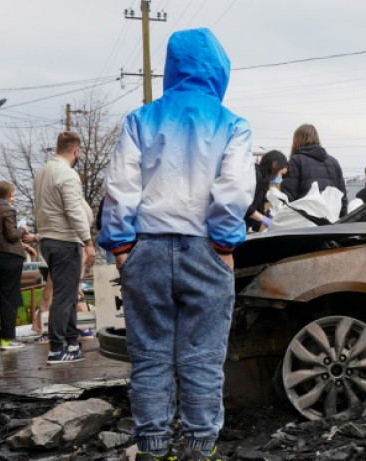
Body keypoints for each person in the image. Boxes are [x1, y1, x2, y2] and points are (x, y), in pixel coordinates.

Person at [98, 28, 254, 461]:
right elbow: (235, 189)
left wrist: (121, 247)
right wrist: (224, 245)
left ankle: (152, 448)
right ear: (220, 71)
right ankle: (200, 449)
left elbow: (120, 186)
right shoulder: (233, 125)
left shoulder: (140, 119)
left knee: (150, 355)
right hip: (206, 249)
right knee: (203, 357)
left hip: (145, 249)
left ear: (171, 68)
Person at [34, 131, 96, 364]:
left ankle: (72, 343)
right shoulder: (67, 174)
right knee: (64, 296)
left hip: (48, 240)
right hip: (65, 240)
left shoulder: (42, 172)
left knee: (67, 294)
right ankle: (57, 348)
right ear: (76, 151)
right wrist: (88, 241)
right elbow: (73, 210)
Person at [0, 181, 36, 350]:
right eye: (13, 195)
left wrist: (24, 246)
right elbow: (11, 236)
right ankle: (7, 339)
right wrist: (23, 229)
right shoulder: (7, 209)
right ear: (8, 195)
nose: (14, 198)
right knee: (8, 298)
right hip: (8, 260)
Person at [30, 200, 95, 341]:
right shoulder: (81, 205)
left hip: (70, 248)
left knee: (52, 289)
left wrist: (36, 237)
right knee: (72, 288)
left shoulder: (68, 204)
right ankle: (83, 328)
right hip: (76, 248)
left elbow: (61, 230)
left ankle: (47, 329)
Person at [281, 124, 348, 218]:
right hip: (331, 220)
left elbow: (288, 197)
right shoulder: (334, 162)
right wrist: (341, 219)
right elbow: (342, 197)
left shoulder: (295, 161)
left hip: (305, 221)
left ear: (296, 140)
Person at [244, 150, 287, 232]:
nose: (280, 177)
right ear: (275, 164)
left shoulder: (262, 179)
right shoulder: (256, 175)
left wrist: (263, 211)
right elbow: (244, 204)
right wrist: (262, 218)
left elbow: (254, 203)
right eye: (280, 172)